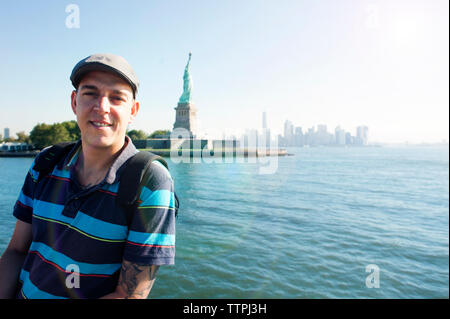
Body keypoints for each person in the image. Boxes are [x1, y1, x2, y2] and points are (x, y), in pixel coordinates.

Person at [0, 53, 176, 299]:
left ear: (133, 110)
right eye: (90, 93)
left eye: (116, 97)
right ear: (74, 102)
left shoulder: (150, 182)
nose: (101, 107)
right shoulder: (46, 162)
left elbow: (128, 295)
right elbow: (17, 250)